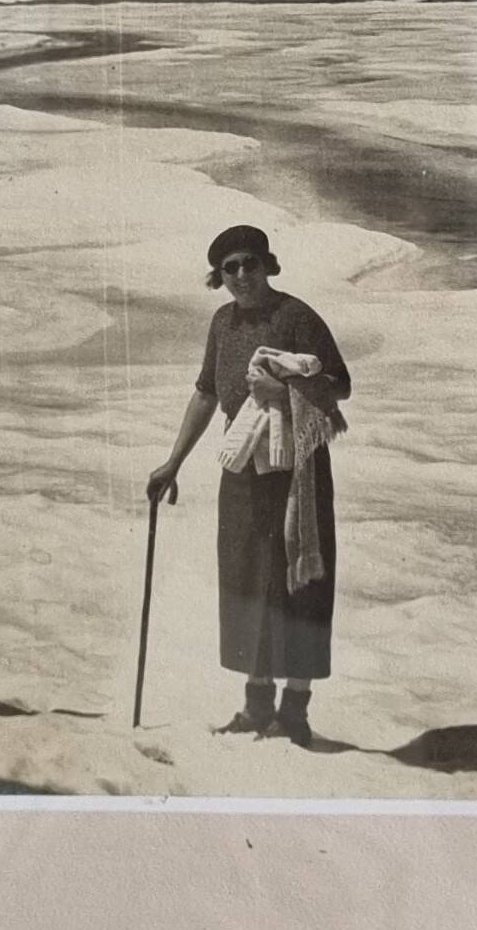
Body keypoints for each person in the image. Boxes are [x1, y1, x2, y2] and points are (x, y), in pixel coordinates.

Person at [147, 224, 351, 741]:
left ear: (268, 265)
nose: (241, 275)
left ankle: (296, 711)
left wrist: (285, 388)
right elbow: (206, 394)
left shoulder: (296, 316)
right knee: (247, 578)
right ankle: (257, 706)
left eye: (250, 264)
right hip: (242, 468)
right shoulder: (223, 322)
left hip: (297, 471)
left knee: (301, 580)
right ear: (219, 277)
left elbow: (340, 386)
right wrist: (173, 462)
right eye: (230, 268)